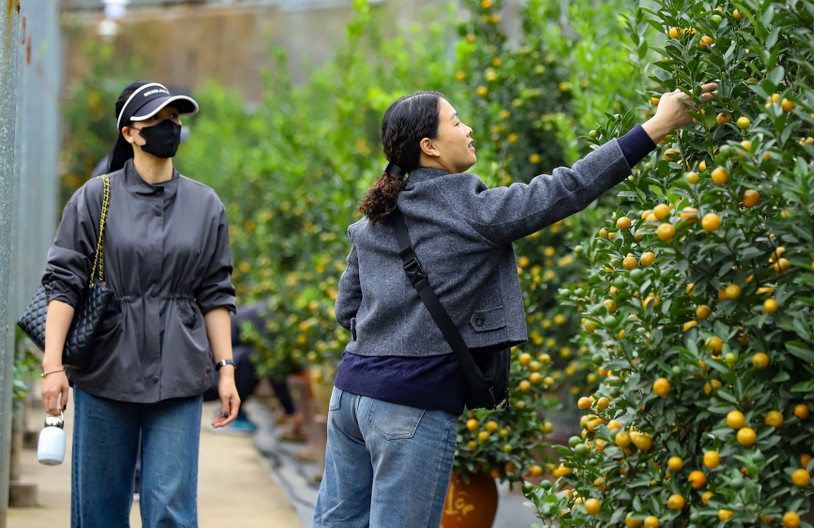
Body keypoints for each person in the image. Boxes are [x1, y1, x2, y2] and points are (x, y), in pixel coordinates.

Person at [313, 83, 717, 528]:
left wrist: (394, 332)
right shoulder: (472, 212)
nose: (467, 130)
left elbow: (345, 310)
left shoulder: (373, 222)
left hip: (349, 395)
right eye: (456, 122)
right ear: (429, 147)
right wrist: (657, 126)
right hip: (412, 403)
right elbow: (569, 187)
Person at [39, 80, 241, 528]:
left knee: (170, 509)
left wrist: (225, 369)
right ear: (129, 132)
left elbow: (215, 292)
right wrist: (53, 367)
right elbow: (64, 283)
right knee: (99, 510)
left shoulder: (205, 205)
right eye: (158, 119)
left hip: (179, 373)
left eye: (175, 119)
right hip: (105, 370)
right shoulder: (95, 197)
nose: (169, 127)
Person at [204, 301, 306, 437]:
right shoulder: (270, 322)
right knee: (254, 357)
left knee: (255, 357)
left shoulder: (269, 312)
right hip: (209, 381)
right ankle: (226, 415)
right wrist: (291, 412)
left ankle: (235, 412)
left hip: (212, 375)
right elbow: (274, 372)